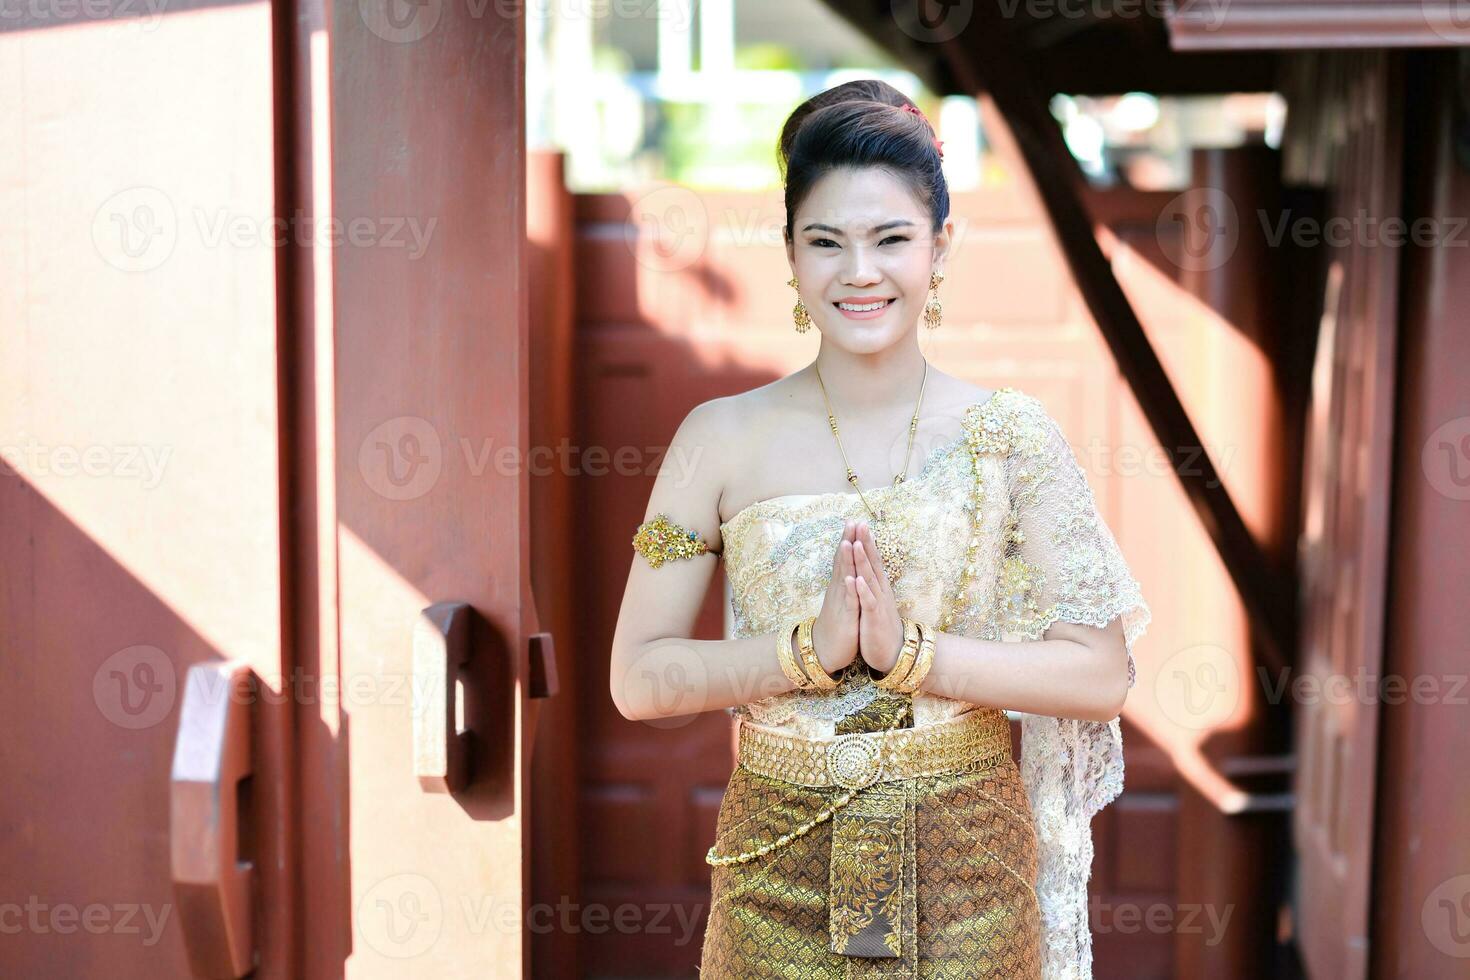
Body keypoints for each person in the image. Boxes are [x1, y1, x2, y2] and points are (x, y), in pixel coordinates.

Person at [609, 78, 1151, 980]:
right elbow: (639, 678)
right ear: (788, 253)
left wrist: (916, 657)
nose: (860, 272)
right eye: (826, 242)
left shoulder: (1011, 437)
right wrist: (802, 654)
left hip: (971, 872)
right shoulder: (717, 438)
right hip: (772, 871)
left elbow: (1102, 674)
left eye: (891, 239)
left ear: (941, 247)